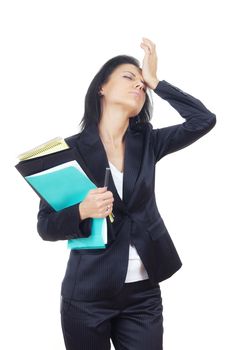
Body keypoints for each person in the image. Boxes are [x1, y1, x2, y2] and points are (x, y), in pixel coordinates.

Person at [37, 37, 216, 350]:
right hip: (86, 296)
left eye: (142, 82)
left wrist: (156, 81)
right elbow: (45, 226)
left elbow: (204, 120)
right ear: (101, 88)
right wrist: (81, 211)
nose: (139, 84)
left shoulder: (147, 141)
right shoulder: (69, 151)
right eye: (129, 77)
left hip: (142, 295)